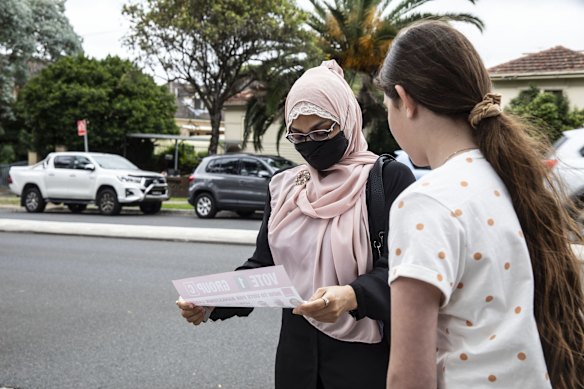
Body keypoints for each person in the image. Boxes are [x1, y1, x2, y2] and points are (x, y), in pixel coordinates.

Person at [177, 60, 415, 389]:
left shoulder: (387, 179)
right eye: (298, 135)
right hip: (296, 359)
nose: (311, 143)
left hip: (364, 359)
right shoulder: (284, 187)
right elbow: (264, 266)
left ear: (347, 119)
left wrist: (351, 296)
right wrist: (211, 301)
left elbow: (405, 271)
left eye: (322, 131)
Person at [376, 20, 584, 389]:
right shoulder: (512, 180)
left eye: (387, 105)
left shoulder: (426, 202)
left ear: (405, 100)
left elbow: (409, 375)